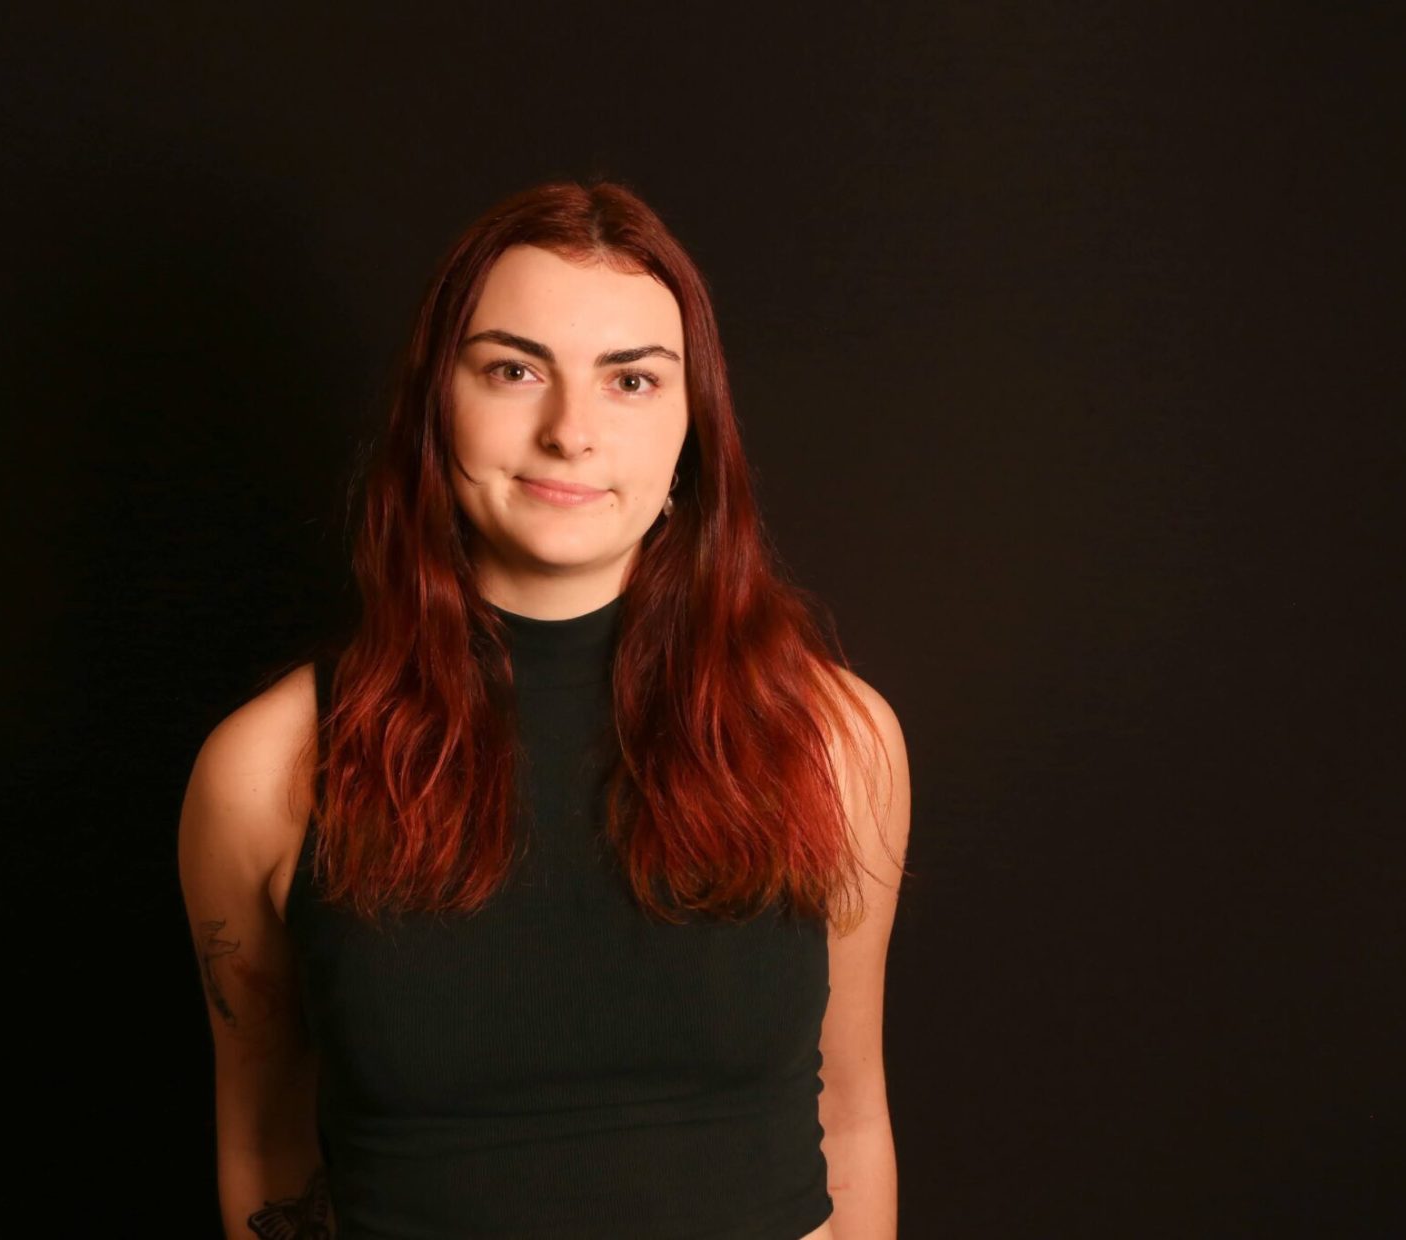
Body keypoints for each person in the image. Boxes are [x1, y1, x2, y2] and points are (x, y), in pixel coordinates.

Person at [178, 178, 911, 1240]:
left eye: (630, 380)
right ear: (437, 402)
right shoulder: (267, 767)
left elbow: (847, 1116)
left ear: (691, 429)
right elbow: (261, 1139)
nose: (571, 430)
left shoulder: (834, 739)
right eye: (514, 369)